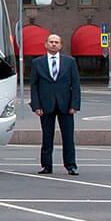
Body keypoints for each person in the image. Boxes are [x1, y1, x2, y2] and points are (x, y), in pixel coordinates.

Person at [30, 32, 81, 175]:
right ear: (46, 45)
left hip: (65, 105)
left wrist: (74, 105)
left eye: (56, 42)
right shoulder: (37, 63)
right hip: (46, 106)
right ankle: (47, 165)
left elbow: (75, 84)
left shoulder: (69, 62)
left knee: (68, 137)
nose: (53, 44)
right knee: (47, 136)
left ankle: (70, 165)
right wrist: (36, 105)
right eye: (51, 42)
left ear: (60, 45)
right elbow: (34, 85)